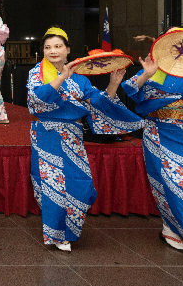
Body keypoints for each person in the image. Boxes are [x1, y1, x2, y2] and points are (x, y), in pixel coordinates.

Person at [27, 27, 142, 251]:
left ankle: (67, 229)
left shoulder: (80, 80)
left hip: (72, 137)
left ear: (68, 50)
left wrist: (113, 83)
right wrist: (61, 77)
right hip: (47, 135)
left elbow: (98, 102)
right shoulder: (36, 73)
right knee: (53, 188)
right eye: (48, 47)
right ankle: (58, 235)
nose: (53, 51)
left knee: (82, 186)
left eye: (58, 46)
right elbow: (36, 97)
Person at [122, 31, 183, 249]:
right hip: (158, 133)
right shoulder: (156, 70)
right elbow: (130, 89)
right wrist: (146, 74)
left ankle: (181, 229)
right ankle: (171, 228)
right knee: (168, 182)